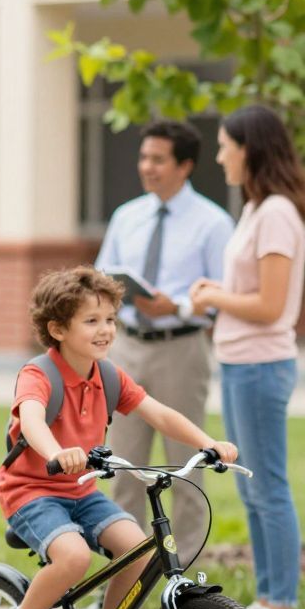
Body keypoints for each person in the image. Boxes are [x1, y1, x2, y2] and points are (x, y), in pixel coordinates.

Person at [0, 267, 237, 609]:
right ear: (57, 328)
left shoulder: (106, 375)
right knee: (72, 558)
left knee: (139, 551)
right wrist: (56, 453)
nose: (105, 330)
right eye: (91, 321)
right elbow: (31, 419)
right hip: (31, 491)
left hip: (82, 490)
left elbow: (158, 412)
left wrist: (207, 442)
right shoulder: (39, 375)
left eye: (110, 319)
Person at [95, 119, 233, 567]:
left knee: (187, 466)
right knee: (123, 469)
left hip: (182, 349)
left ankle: (185, 583)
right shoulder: (126, 217)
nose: (147, 167)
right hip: (127, 348)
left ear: (185, 165)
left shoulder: (213, 223)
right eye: (144, 157)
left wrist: (173, 306)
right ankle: (122, 575)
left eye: (158, 159)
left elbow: (222, 296)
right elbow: (98, 281)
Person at [191, 103, 305, 609]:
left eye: (224, 146)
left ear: (249, 149)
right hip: (239, 364)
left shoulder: (278, 210)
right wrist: (215, 296)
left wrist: (215, 296)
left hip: (262, 365)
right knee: (252, 488)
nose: (219, 156)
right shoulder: (257, 208)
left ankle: (280, 608)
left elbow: (271, 305)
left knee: (269, 487)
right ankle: (267, 599)